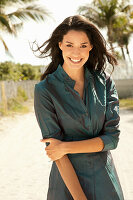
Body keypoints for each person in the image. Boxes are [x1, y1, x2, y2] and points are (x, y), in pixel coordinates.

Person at [34, 15, 124, 200]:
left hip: (105, 181)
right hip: (66, 184)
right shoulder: (45, 90)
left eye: (83, 45)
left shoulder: (105, 82)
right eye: (69, 45)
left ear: (91, 46)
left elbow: (112, 139)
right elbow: (56, 154)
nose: (76, 52)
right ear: (60, 45)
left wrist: (65, 147)